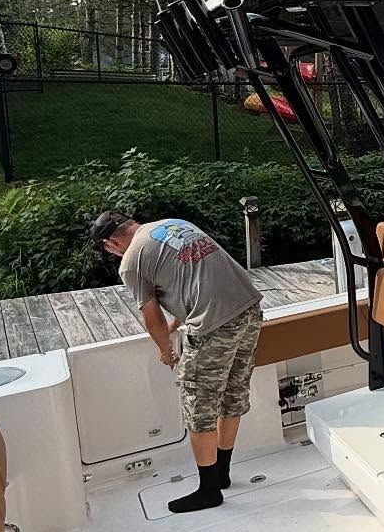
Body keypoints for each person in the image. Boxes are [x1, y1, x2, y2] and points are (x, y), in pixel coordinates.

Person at [90, 211, 263, 513]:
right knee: (232, 394)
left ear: (110, 243)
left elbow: (151, 315)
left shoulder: (131, 260)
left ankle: (209, 491)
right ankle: (221, 473)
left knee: (198, 406)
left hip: (214, 326)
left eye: (108, 250)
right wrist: (177, 324)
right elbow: (194, 277)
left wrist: (165, 350)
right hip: (249, 310)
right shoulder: (174, 224)